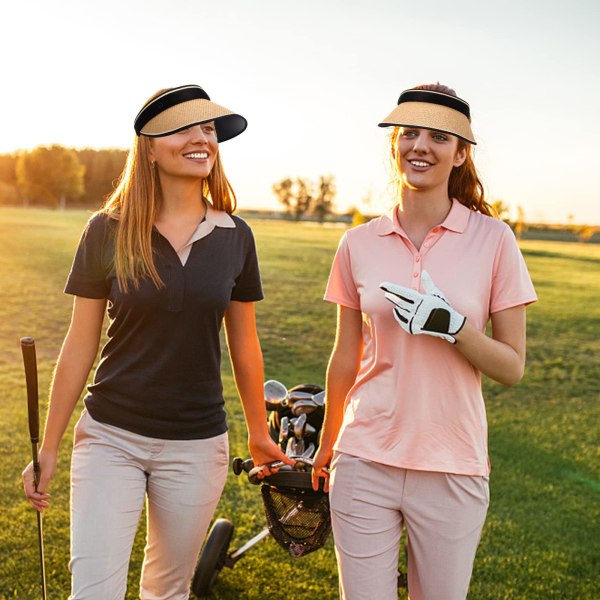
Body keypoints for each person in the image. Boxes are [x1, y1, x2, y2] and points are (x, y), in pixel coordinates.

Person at [22, 84, 292, 600]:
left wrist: (259, 432)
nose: (202, 138)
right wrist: (50, 444)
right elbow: (80, 342)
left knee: (166, 592)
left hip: (197, 445)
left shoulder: (237, 235)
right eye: (186, 127)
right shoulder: (107, 229)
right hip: (110, 437)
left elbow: (244, 345)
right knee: (93, 592)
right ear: (149, 145)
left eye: (209, 128)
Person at [311, 84, 537, 600]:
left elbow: (512, 367)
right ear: (394, 145)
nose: (420, 145)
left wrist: (454, 328)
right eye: (408, 132)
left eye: (439, 136)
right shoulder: (358, 243)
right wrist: (327, 447)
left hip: (452, 465)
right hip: (364, 457)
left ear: (461, 153)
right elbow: (347, 355)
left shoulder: (494, 240)